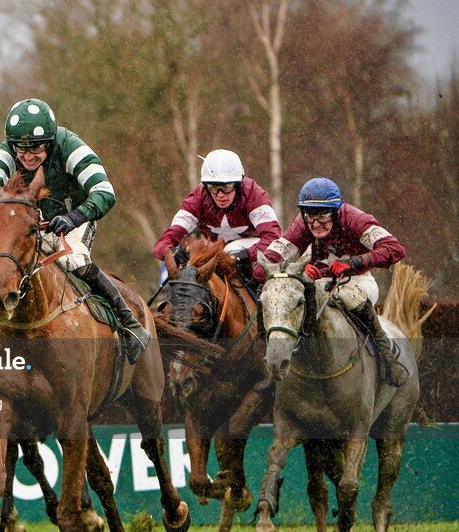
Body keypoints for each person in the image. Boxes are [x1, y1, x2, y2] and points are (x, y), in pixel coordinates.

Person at [0, 98, 150, 363]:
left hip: (76, 219)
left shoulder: (71, 147)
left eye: (37, 148)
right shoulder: (6, 151)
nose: (28, 156)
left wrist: (75, 216)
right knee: (4, 264)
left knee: (73, 260)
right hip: (32, 225)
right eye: (22, 149)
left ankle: (131, 325)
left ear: (51, 142)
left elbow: (105, 192)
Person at [254, 176, 408, 386]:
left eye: (323, 216)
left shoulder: (356, 220)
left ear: (336, 212)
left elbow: (395, 249)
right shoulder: (302, 224)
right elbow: (266, 262)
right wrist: (290, 271)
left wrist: (353, 263)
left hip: (356, 280)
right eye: (310, 217)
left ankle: (388, 358)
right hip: (317, 282)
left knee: (351, 298)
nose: (316, 224)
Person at [153, 149, 281, 290]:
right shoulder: (197, 198)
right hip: (216, 249)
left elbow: (274, 239)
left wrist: (243, 255)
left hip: (252, 249)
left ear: (238, 185)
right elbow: (161, 244)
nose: (220, 195)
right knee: (189, 256)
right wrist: (174, 253)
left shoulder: (254, 195)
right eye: (214, 187)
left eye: (226, 187)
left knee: (231, 250)